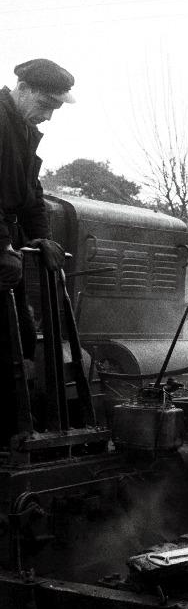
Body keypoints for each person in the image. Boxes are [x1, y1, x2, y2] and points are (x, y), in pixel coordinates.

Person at [0, 59, 75, 445]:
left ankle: (13, 432)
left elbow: (32, 197)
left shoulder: (24, 131)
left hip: (5, 243)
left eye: (54, 109)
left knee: (25, 336)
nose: (48, 116)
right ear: (23, 88)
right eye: (46, 105)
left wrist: (44, 237)